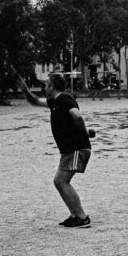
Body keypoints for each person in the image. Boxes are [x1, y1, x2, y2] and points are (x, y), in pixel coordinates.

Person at [16, 72, 95, 228]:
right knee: (59, 182)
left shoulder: (64, 99)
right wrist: (25, 90)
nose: (44, 86)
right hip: (70, 149)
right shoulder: (55, 102)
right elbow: (34, 101)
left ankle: (81, 216)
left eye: (46, 84)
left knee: (61, 181)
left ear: (52, 86)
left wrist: (85, 133)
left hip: (76, 148)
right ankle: (75, 215)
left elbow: (77, 116)